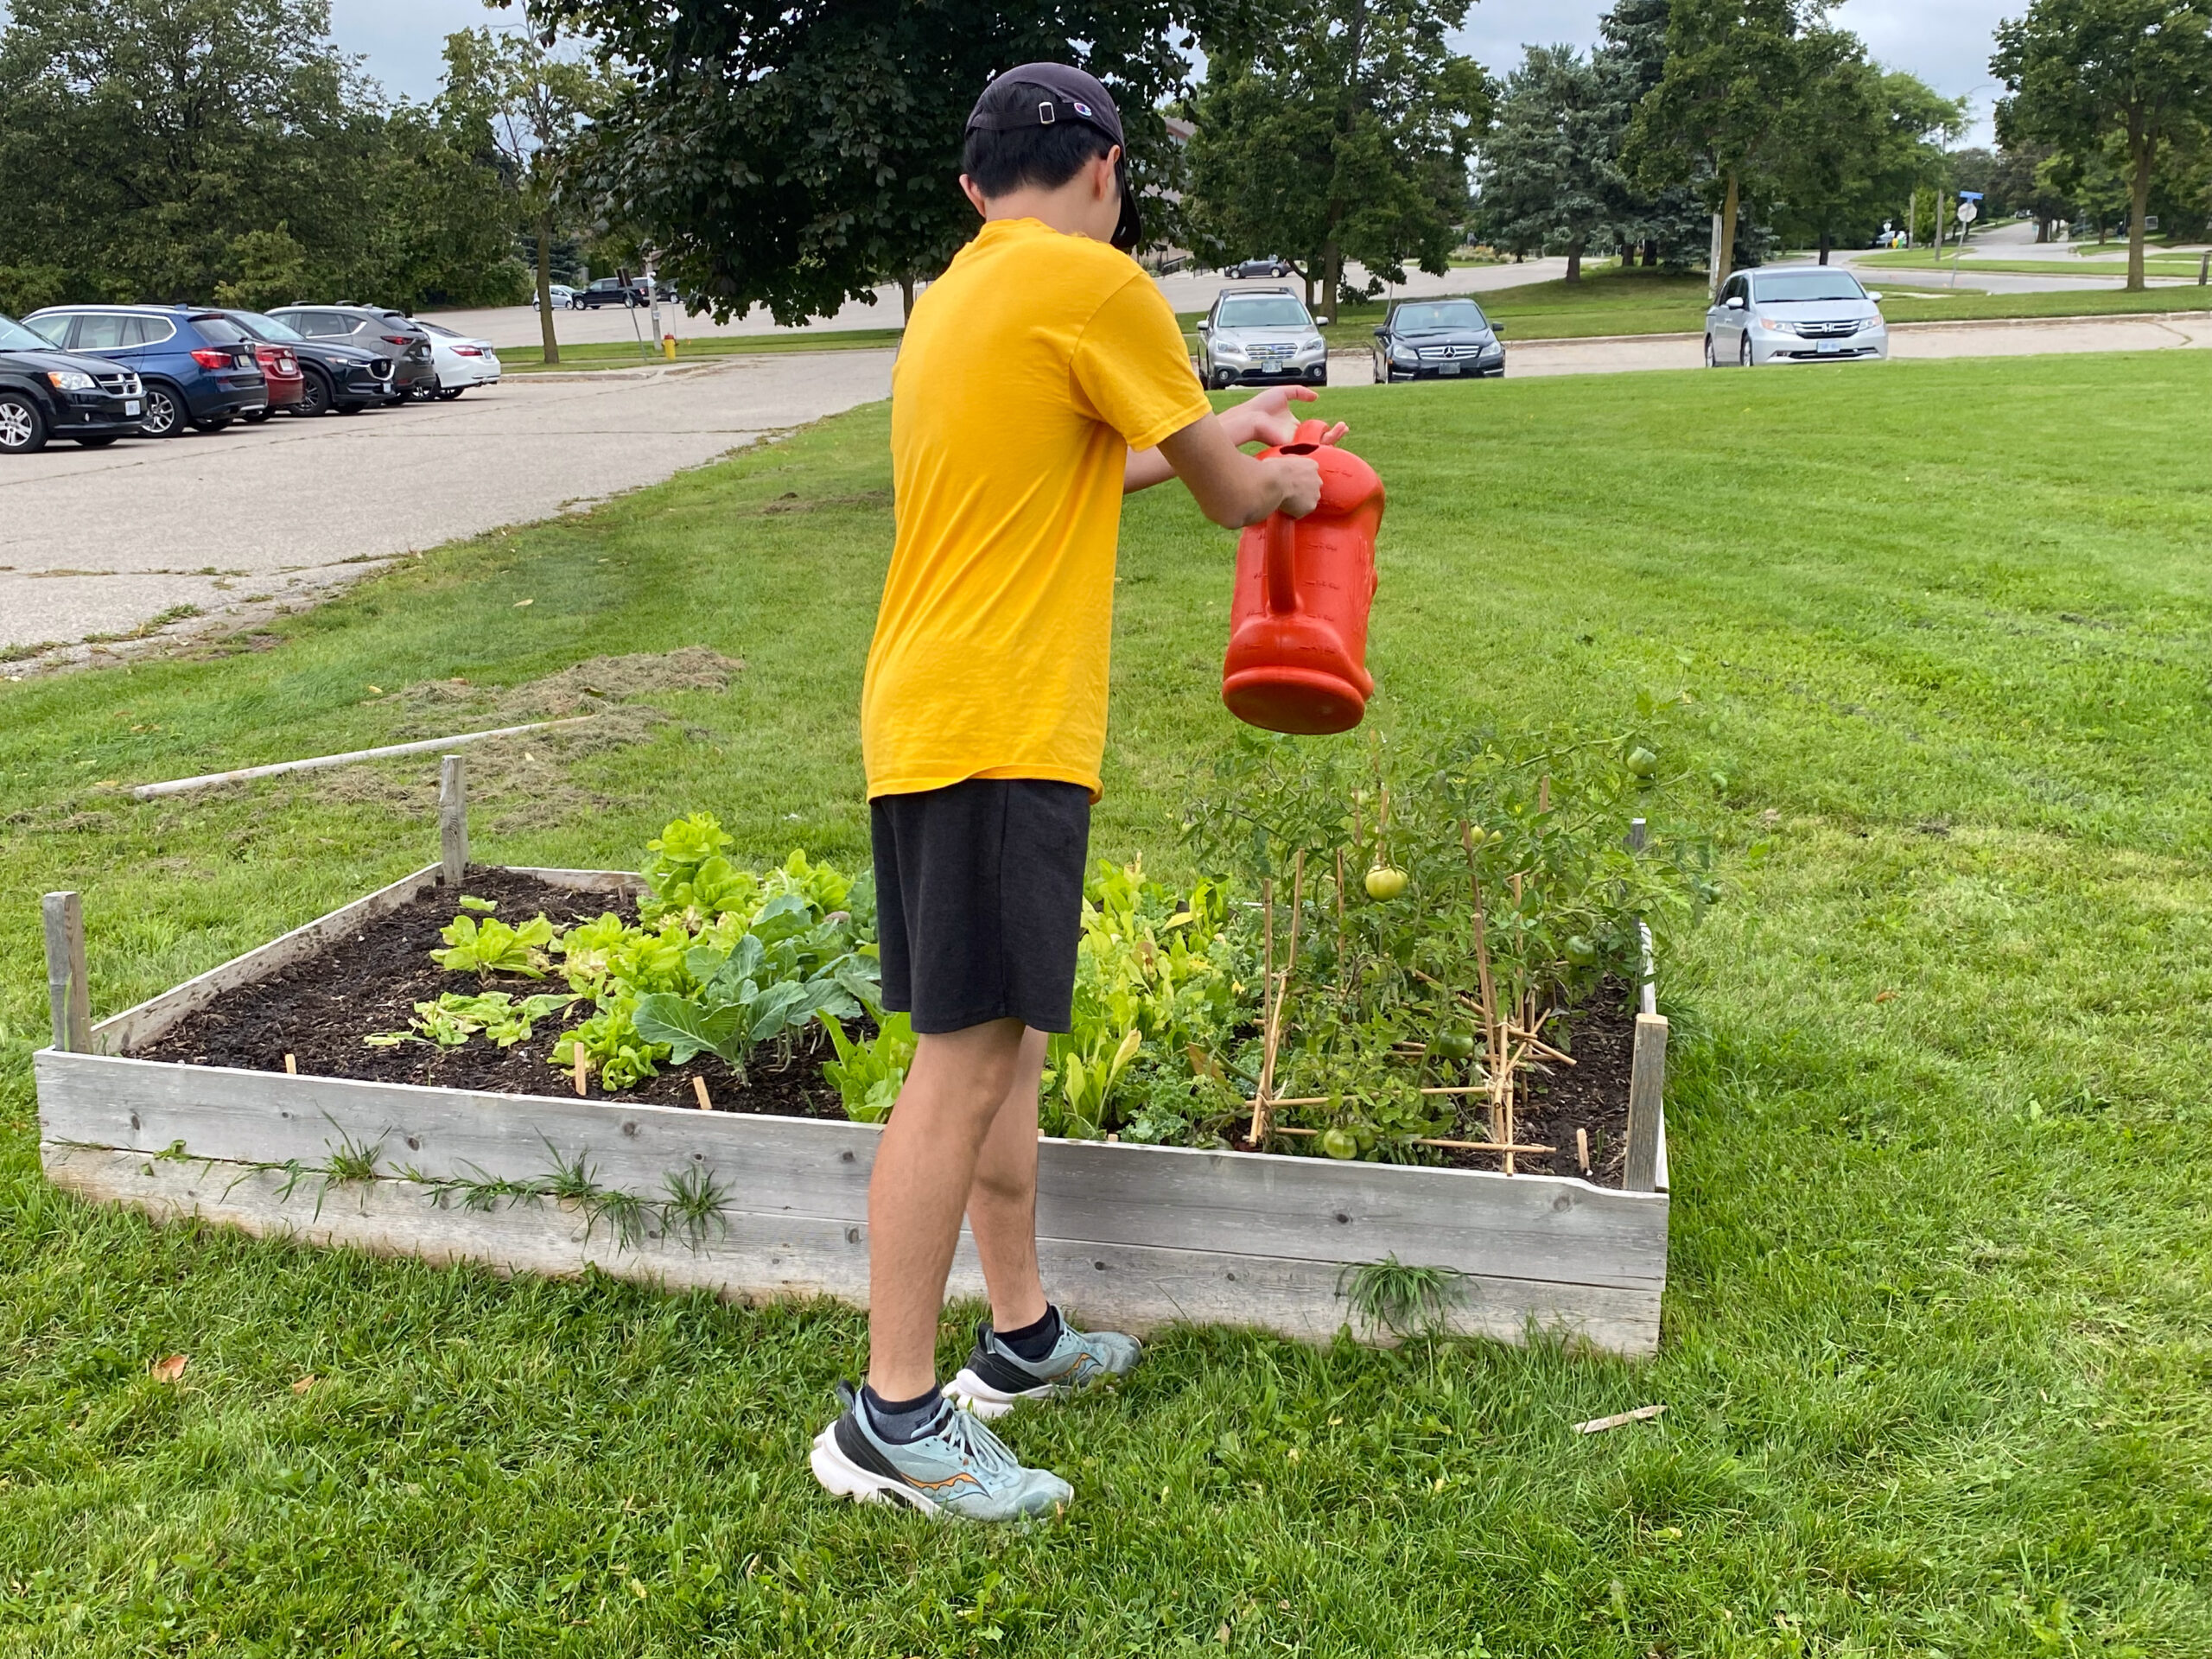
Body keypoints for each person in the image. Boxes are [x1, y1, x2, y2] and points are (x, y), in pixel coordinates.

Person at [809, 62, 1335, 1521]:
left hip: (929, 711)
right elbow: (1236, 499)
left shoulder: (963, 296)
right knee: (964, 1060)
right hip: (999, 725)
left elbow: (1080, 475)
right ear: (1107, 172)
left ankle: (1021, 1336)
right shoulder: (1097, 285)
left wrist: (1234, 423)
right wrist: (1280, 478)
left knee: (1003, 1046)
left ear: (977, 187)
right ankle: (893, 1421)